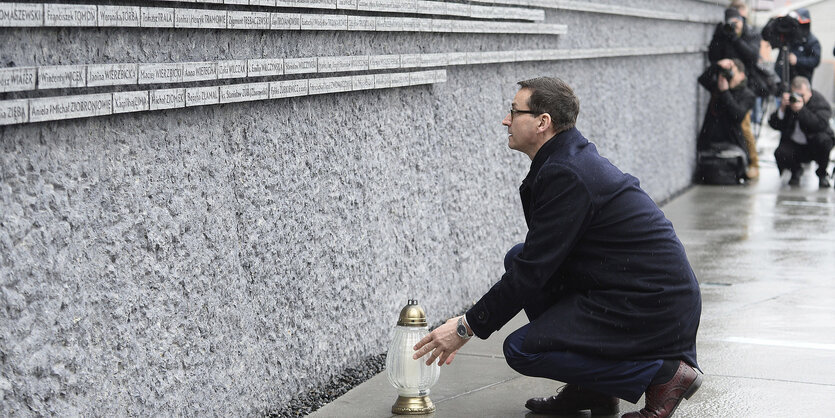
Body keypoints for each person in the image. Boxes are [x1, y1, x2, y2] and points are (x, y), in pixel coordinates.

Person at [413, 77, 703, 418]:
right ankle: (593, 390)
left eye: (514, 111)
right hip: (628, 289)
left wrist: (466, 326)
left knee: (521, 350)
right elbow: (535, 264)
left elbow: (532, 273)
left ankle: (664, 374)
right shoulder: (563, 161)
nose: (506, 120)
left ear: (542, 122)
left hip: (651, 304)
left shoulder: (566, 173)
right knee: (516, 256)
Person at [696, 58, 757, 182]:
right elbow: (702, 79)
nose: (729, 75)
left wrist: (725, 92)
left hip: (731, 141)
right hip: (710, 139)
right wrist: (717, 66)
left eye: (732, 72)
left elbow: (737, 115)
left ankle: (752, 165)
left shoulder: (748, 95)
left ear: (742, 75)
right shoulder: (718, 85)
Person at [769, 76, 835, 187]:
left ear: (809, 92)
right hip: (795, 145)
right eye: (796, 95)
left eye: (802, 95)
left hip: (814, 145)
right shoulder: (790, 103)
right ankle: (795, 171)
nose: (799, 98)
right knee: (780, 152)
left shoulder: (820, 102)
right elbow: (775, 125)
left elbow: (819, 125)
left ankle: (822, 173)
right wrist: (782, 108)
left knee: (824, 141)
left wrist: (801, 110)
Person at [771, 8, 821, 84]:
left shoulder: (812, 41)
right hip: (784, 81)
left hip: (802, 81)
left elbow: (815, 60)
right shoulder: (789, 39)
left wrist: (797, 60)